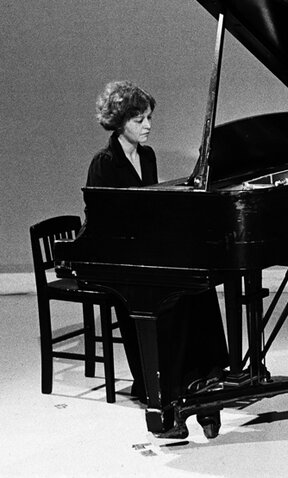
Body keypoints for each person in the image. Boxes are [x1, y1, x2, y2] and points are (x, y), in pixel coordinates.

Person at [85, 81, 229, 424]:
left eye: (149, 117)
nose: (148, 125)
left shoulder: (146, 156)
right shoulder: (104, 163)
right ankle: (164, 380)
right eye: (139, 119)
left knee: (199, 284)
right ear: (119, 121)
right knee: (167, 294)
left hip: (145, 250)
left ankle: (204, 372)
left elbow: (152, 208)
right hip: (117, 259)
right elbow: (101, 223)